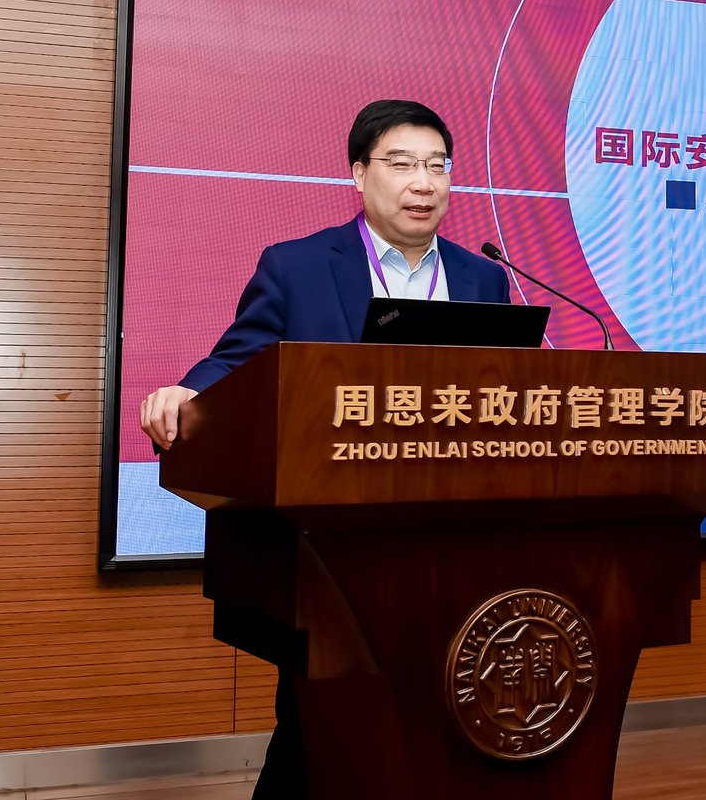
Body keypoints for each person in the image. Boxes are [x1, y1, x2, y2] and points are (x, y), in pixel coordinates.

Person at [140, 98, 509, 797]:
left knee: (431, 727)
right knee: (320, 731)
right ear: (359, 173)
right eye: (402, 163)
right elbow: (239, 361)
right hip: (329, 546)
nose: (423, 183)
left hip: (448, 542)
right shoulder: (298, 266)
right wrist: (187, 392)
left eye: (437, 166)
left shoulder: (483, 277)